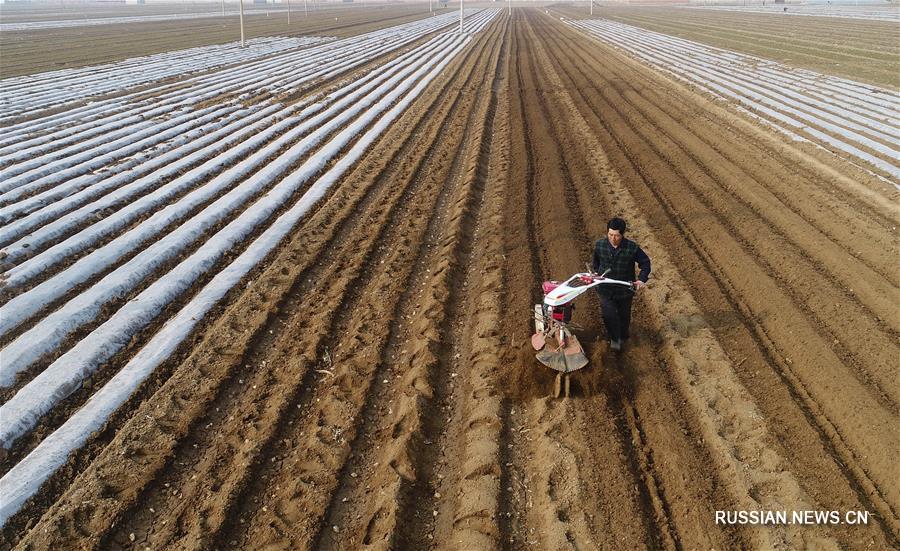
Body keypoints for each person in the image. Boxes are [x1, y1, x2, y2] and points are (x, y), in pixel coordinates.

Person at [591, 217, 651, 351]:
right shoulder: (600, 245)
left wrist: (641, 279)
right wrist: (595, 273)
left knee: (624, 316)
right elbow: (596, 263)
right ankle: (614, 338)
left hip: (624, 289)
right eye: (610, 235)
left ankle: (623, 337)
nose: (613, 238)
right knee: (609, 314)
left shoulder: (632, 248)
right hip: (605, 288)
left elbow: (645, 263)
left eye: (617, 236)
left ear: (622, 235)